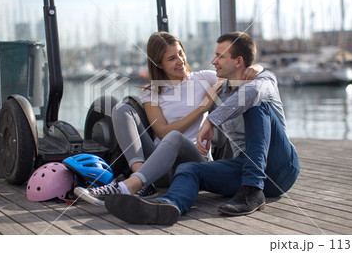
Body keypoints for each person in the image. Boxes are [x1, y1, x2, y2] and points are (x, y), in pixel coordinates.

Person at [104, 31, 300, 225]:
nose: (213, 61)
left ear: (238, 61)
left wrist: (211, 119)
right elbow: (164, 130)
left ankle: (252, 189)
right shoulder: (219, 90)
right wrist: (205, 111)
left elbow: (251, 93)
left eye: (219, 56)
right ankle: (168, 205)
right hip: (245, 167)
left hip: (281, 167)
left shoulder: (265, 80)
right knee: (189, 170)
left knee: (256, 106)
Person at [74, 32, 262, 205]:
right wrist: (201, 108)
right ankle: (141, 181)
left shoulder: (204, 78)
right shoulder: (151, 91)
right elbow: (162, 131)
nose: (180, 60)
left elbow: (237, 78)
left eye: (181, 53)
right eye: (172, 58)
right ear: (159, 64)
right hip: (158, 167)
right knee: (121, 109)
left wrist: (255, 67)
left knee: (175, 138)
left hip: (193, 161)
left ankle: (132, 185)